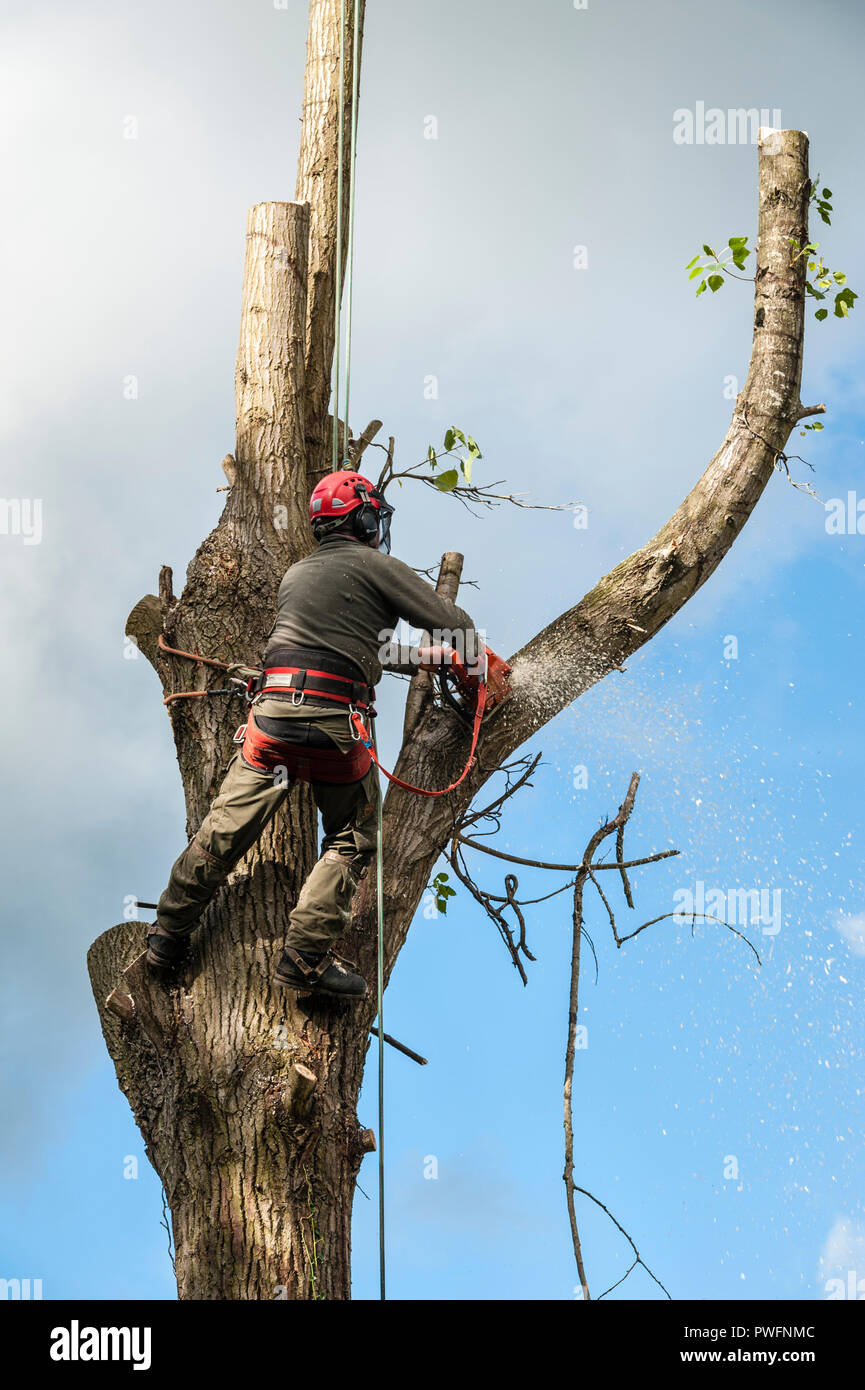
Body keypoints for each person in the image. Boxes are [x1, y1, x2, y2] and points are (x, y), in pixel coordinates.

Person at [146, 470, 478, 998]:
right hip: (332, 731)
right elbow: (453, 622)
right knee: (354, 836)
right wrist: (475, 665)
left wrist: (418, 657)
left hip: (273, 721)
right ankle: (304, 960)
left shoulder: (298, 574)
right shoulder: (377, 565)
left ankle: (166, 937)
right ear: (366, 518)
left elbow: (347, 644)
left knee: (220, 834)